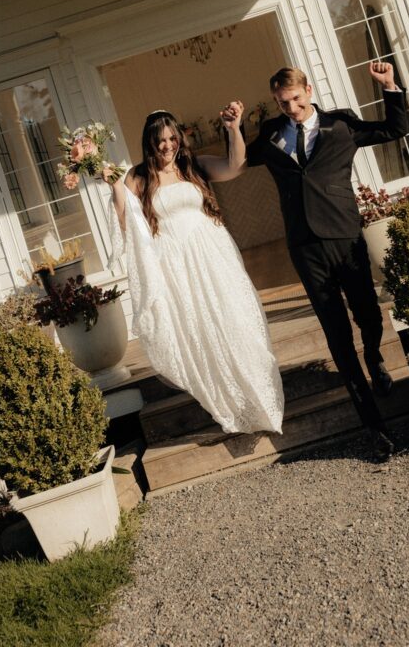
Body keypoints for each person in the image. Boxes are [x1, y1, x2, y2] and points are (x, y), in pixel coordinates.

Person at [245, 62, 408, 460]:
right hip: (305, 247)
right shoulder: (269, 134)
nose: (292, 109)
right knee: (336, 333)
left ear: (309, 91)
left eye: (297, 100)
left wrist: (390, 87)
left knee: (368, 315)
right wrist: (232, 129)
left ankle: (374, 354)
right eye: (283, 103)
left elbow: (393, 129)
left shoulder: (341, 125)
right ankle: (375, 427)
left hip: (344, 236)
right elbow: (237, 162)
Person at [105, 103, 284, 436]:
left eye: (172, 138)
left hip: (212, 257)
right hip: (174, 265)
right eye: (160, 140)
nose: (167, 146)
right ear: (149, 142)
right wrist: (114, 186)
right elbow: (124, 220)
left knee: (232, 320)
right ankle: (228, 403)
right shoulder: (138, 176)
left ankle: (257, 400)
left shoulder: (194, 165)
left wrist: (233, 128)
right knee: (198, 329)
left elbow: (235, 166)